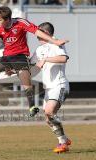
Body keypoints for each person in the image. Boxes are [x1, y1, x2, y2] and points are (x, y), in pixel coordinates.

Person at [31, 22, 71, 153]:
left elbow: (63, 58)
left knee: (49, 111)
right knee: (48, 119)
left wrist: (46, 59)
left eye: (39, 31)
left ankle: (62, 143)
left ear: (46, 33)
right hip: (48, 89)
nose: (37, 34)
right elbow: (31, 65)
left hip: (59, 85)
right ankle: (64, 139)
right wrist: (13, 70)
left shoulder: (56, 43)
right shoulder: (38, 50)